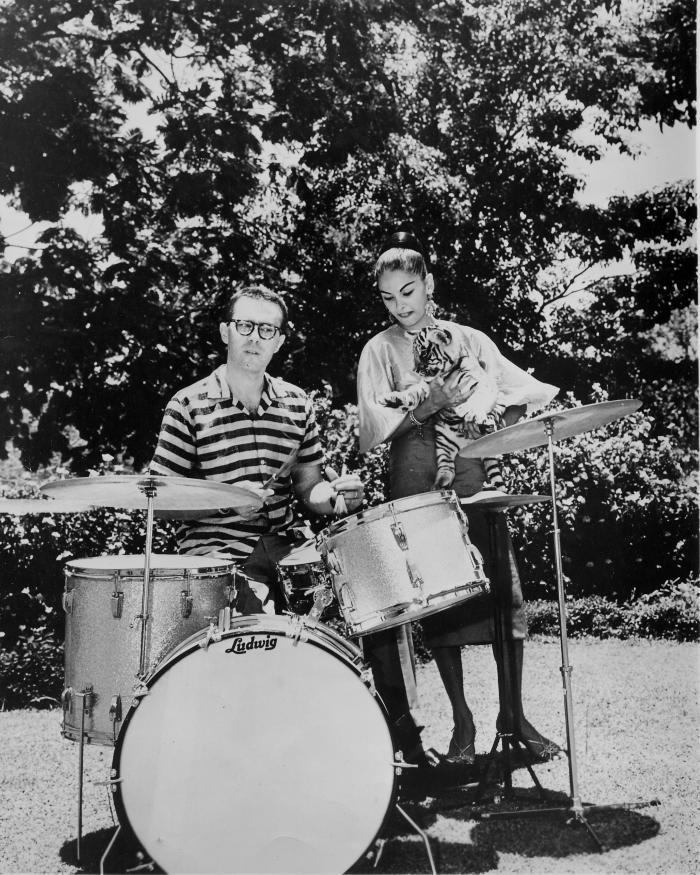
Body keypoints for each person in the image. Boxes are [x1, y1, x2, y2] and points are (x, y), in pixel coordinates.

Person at [357, 229, 562, 765]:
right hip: (417, 486)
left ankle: (513, 715)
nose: (400, 305)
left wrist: (498, 423)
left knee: (504, 602)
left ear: (428, 285)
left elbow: (525, 395)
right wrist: (428, 407)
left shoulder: (469, 339)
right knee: (441, 608)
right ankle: (463, 723)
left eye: (408, 291)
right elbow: (372, 431)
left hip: (475, 483)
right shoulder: (378, 351)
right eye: (388, 296)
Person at [151, 285, 364, 614]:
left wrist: (336, 498)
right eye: (245, 326)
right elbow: (159, 500)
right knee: (258, 635)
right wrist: (226, 502)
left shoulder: (296, 403)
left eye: (267, 330)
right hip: (217, 548)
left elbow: (310, 487)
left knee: (359, 598)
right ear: (226, 332)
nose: (255, 338)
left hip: (287, 544)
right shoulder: (187, 405)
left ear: (278, 341)